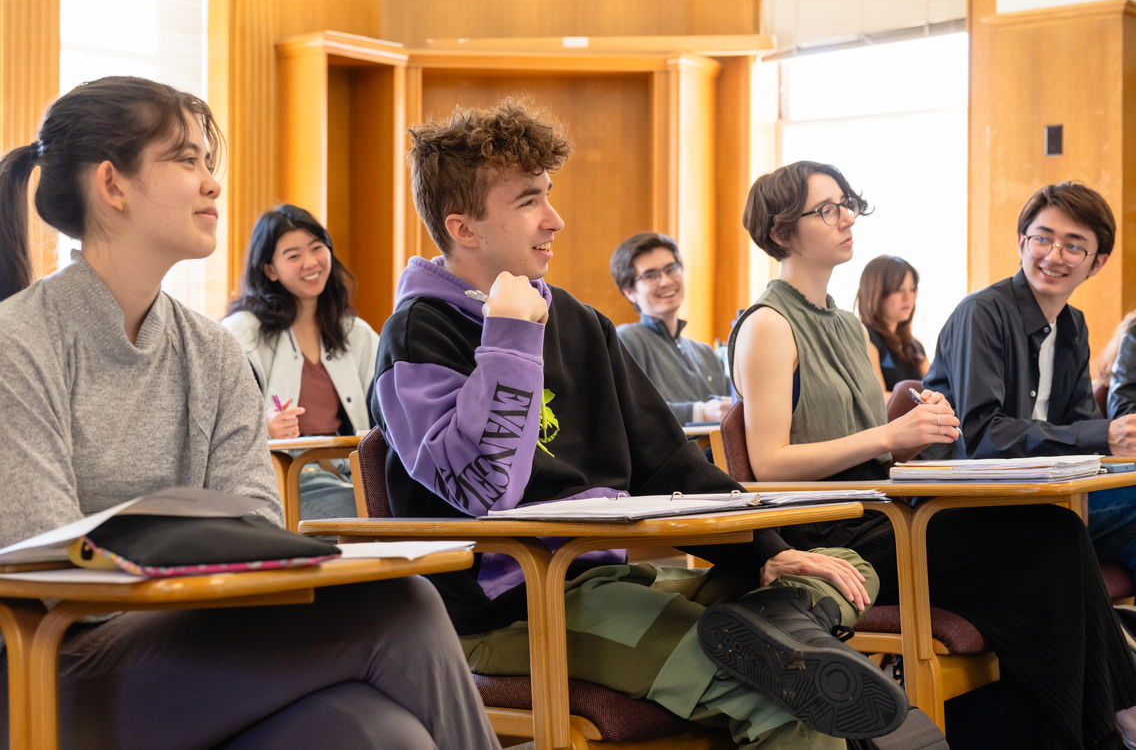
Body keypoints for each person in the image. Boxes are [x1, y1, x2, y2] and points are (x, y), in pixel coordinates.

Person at [370, 100, 938, 749]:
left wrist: (769, 552)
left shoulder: (580, 323)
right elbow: (481, 486)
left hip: (601, 579)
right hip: (513, 608)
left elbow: (668, 463)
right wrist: (506, 336)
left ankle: (776, 631)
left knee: (836, 564)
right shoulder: (420, 331)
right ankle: (778, 649)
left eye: (548, 196)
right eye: (529, 201)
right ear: (463, 228)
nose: (554, 219)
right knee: (791, 706)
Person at [0, 76, 499, 750]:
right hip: (50, 669)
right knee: (402, 606)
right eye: (185, 160)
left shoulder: (210, 351)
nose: (212, 183)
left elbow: (255, 535)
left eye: (209, 162)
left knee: (382, 735)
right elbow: (53, 571)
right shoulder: (17, 342)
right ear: (113, 187)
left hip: (183, 653)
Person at [730, 159, 1136, 750]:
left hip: (881, 514)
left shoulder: (851, 329)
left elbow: (873, 455)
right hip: (830, 536)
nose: (847, 218)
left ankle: (1089, 729)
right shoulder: (768, 324)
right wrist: (888, 439)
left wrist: (912, 441)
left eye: (848, 204)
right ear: (780, 231)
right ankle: (1098, 728)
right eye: (827, 209)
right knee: (1046, 544)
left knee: (1056, 537)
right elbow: (767, 465)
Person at [923, 182, 1136, 582]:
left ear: (1098, 263)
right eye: (1043, 238)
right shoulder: (980, 314)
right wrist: (1105, 434)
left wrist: (1109, 442)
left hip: (1047, 498)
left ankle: (1106, 633)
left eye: (1074, 246)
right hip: (967, 505)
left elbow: (1083, 431)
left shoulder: (1074, 326)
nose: (1053, 256)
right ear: (1022, 241)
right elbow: (984, 437)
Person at [223, 204, 379, 519]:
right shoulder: (242, 333)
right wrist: (266, 428)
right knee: (369, 513)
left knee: (395, 505)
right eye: (293, 256)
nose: (310, 263)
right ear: (270, 270)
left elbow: (385, 414)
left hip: (350, 473)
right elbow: (222, 428)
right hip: (289, 477)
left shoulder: (356, 333)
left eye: (317, 248)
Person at [610, 231, 732, 424]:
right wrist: (699, 412)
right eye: (650, 275)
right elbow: (625, 410)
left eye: (671, 269)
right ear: (630, 292)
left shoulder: (706, 354)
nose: (666, 281)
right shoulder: (624, 341)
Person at [853, 255, 929, 393]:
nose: (908, 297)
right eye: (898, 290)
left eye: (912, 289)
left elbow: (935, 390)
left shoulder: (914, 346)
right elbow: (877, 399)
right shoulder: (865, 337)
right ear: (876, 292)